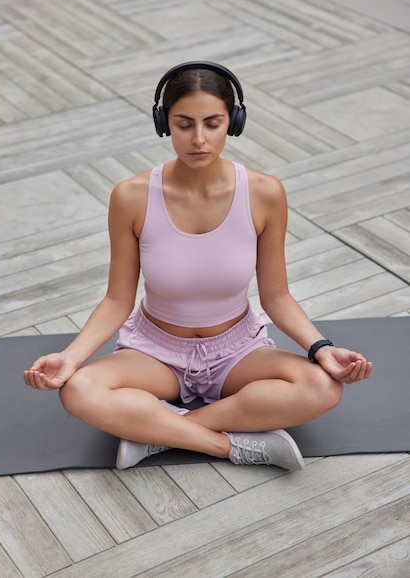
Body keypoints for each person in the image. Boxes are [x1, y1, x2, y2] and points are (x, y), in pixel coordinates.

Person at [24, 61, 372, 471]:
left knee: (322, 387)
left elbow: (276, 296)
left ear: (234, 122)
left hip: (238, 350)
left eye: (213, 123)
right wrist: (71, 358)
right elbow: (118, 299)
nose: (199, 139)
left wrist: (322, 349)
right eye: (184, 124)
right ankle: (231, 447)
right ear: (164, 123)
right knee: (79, 390)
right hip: (155, 352)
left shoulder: (265, 193)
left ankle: (158, 434)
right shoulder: (131, 196)